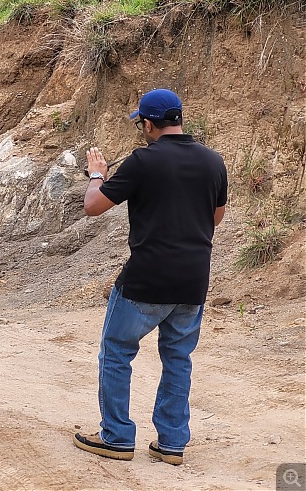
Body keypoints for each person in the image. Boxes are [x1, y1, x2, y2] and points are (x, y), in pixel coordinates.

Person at [73, 88, 227, 466]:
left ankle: (117, 437)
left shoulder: (143, 160)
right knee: (178, 358)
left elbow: (94, 207)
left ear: (148, 123)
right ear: (180, 118)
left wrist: (97, 176)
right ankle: (172, 443)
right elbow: (216, 218)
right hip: (193, 281)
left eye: (141, 122)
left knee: (117, 351)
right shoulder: (213, 161)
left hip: (146, 278)